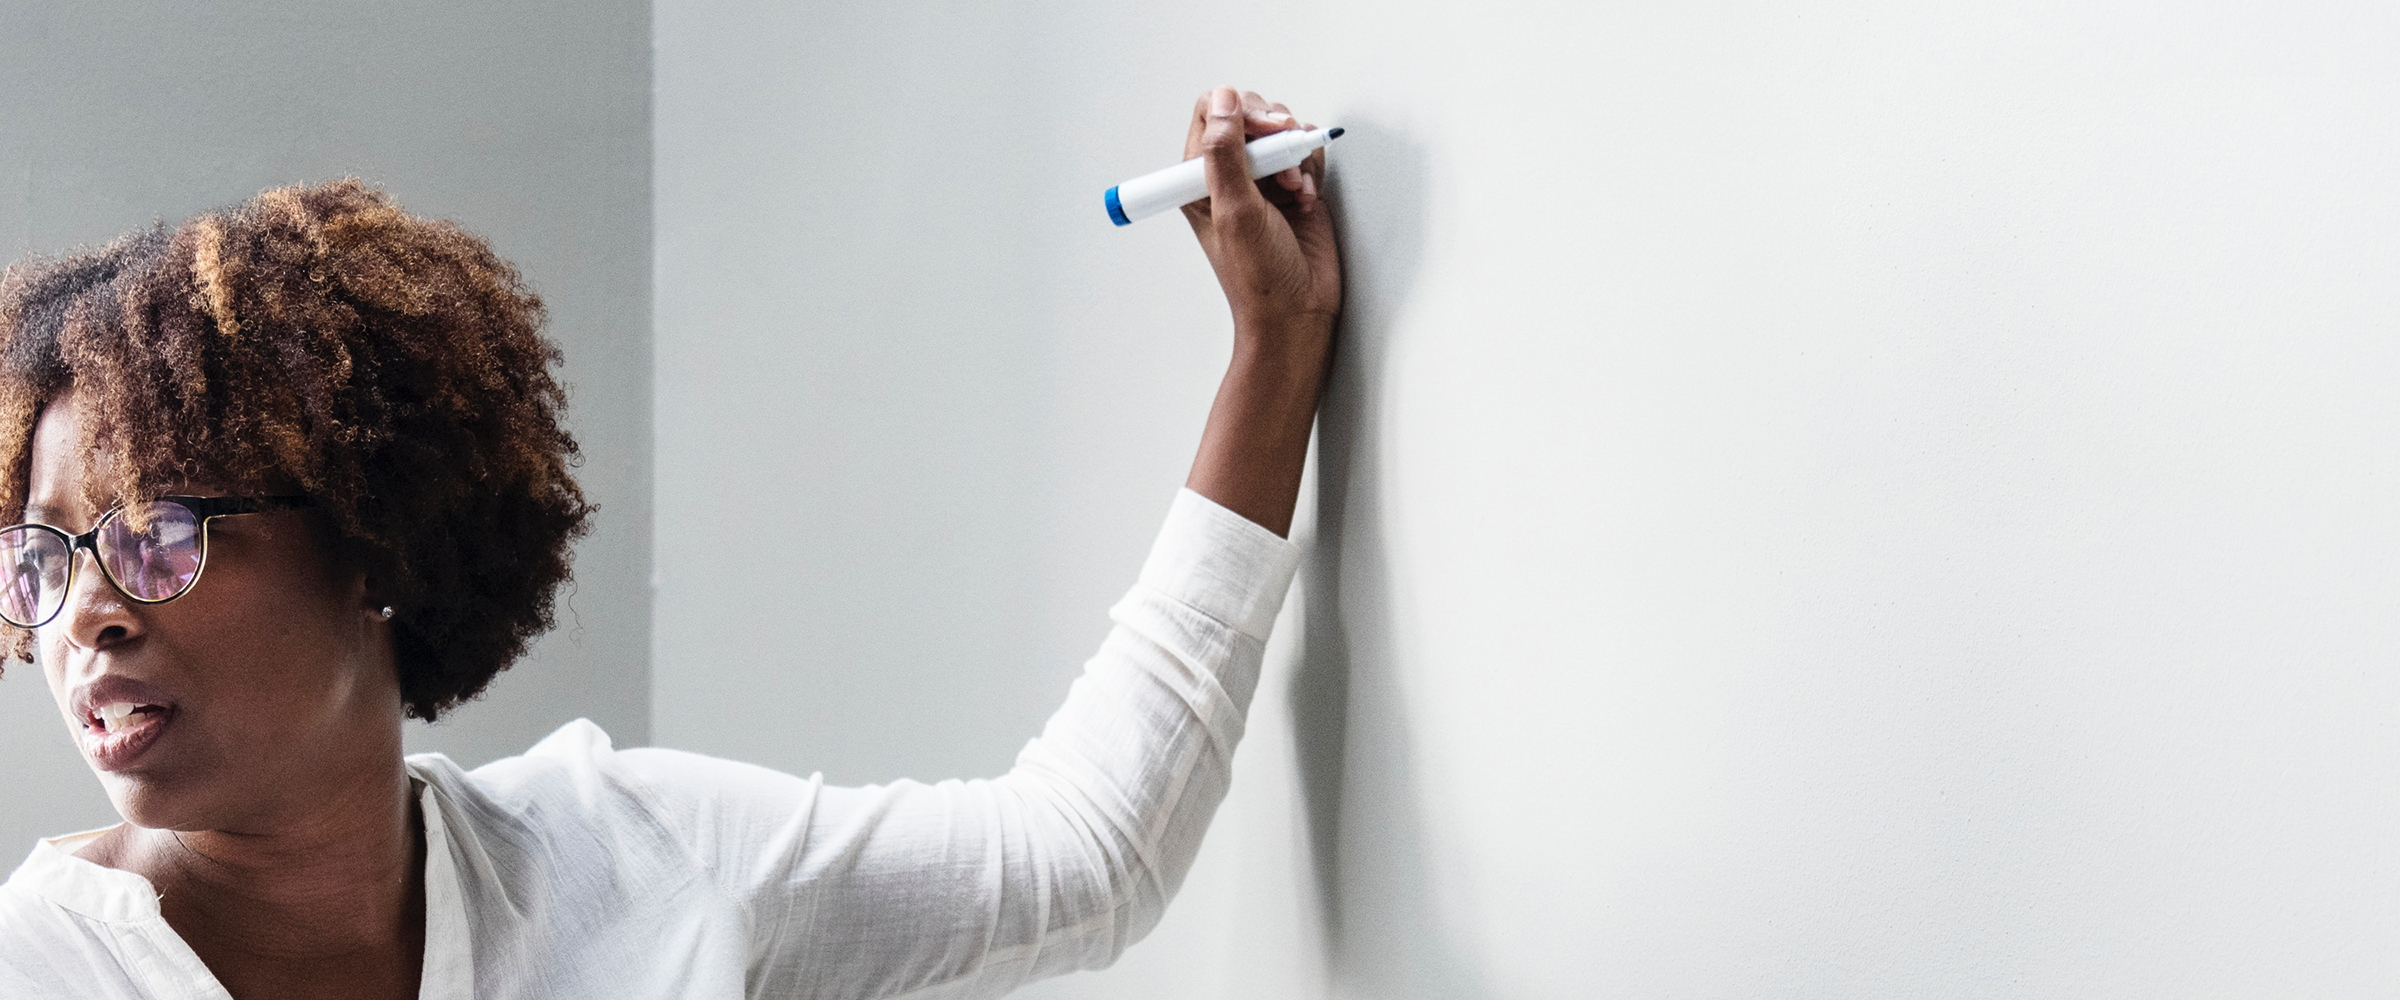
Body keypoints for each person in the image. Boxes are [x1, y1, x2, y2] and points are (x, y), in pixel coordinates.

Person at [0, 87, 1338, 999]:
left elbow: (1085, 855)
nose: (86, 619)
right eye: (43, 563)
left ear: (370, 544)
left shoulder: (627, 860)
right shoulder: (49, 965)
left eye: (158, 534)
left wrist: (1273, 361)